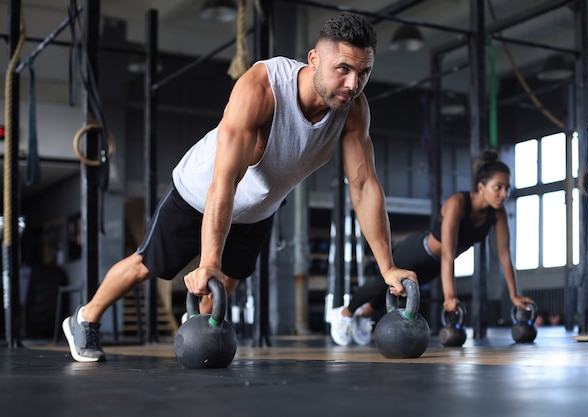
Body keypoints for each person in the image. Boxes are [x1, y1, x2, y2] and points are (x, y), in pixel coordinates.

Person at [62, 12, 417, 362]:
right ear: (314, 59)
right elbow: (225, 180)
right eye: (343, 69)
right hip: (200, 193)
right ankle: (85, 318)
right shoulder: (262, 88)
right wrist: (209, 259)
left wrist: (387, 267)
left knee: (228, 279)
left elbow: (364, 185)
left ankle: (198, 327)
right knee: (149, 265)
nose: (354, 84)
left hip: (259, 208)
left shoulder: (353, 111)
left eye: (363, 72)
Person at [329, 149, 535, 346]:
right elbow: (448, 252)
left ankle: (362, 317)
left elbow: (504, 255)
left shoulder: (497, 214)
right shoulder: (458, 203)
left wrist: (514, 295)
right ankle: (344, 315)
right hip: (419, 251)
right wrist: (450, 296)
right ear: (481, 186)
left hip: (435, 265)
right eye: (497, 187)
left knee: (397, 293)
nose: (504, 193)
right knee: (380, 284)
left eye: (507, 188)